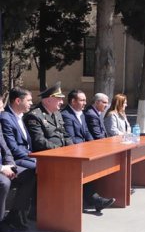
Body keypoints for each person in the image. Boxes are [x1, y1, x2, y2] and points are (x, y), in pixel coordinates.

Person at [25, 82, 115, 213]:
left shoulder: (56, 113)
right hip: (47, 157)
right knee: (76, 167)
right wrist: (62, 151)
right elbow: (39, 141)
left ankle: (93, 199)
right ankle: (70, 205)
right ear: (49, 99)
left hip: (62, 154)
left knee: (82, 164)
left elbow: (65, 135)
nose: (62, 102)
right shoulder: (35, 115)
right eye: (59, 99)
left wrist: (72, 149)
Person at [0, 123, 36, 232]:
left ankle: (14, 215)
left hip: (4, 166)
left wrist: (10, 164)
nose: (2, 111)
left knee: (29, 174)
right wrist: (1, 168)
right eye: (0, 108)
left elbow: (5, 148)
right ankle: (0, 223)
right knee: (4, 183)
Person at [1, 87, 37, 170]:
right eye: (28, 100)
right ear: (18, 101)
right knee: (43, 168)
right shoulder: (5, 118)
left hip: (28, 156)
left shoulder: (20, 116)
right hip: (17, 159)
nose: (31, 103)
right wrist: (33, 158)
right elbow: (13, 149)